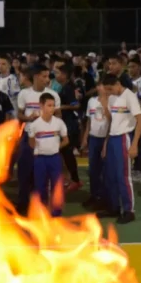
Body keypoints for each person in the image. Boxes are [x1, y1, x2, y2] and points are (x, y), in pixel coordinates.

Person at [99, 73, 141, 224]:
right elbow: (110, 119)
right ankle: (114, 207)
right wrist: (106, 142)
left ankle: (129, 210)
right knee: (110, 175)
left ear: (118, 83)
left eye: (110, 88)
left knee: (123, 176)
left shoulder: (129, 96)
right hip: (112, 137)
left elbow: (140, 119)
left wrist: (134, 143)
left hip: (124, 137)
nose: (110, 92)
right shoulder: (111, 97)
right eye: (107, 90)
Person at [16, 65, 61, 213]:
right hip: (28, 137)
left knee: (42, 175)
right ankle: (23, 205)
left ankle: (41, 206)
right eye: (44, 76)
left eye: (48, 76)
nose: (47, 79)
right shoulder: (24, 94)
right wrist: (29, 118)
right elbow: (19, 115)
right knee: (24, 172)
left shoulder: (53, 94)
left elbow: (58, 117)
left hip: (45, 140)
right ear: (35, 77)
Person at [27, 93, 68, 217]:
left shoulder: (59, 123)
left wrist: (56, 147)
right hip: (40, 159)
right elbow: (31, 144)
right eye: (49, 105)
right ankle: (42, 211)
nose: (52, 108)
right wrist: (36, 143)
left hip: (54, 158)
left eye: (53, 105)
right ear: (41, 106)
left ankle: (56, 213)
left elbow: (66, 140)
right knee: (40, 186)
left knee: (57, 186)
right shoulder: (34, 125)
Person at [81, 82, 110, 211]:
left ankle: (104, 198)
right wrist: (85, 137)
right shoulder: (91, 101)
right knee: (93, 169)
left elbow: (112, 122)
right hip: (93, 137)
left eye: (102, 85)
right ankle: (94, 195)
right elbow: (89, 120)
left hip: (105, 138)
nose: (100, 88)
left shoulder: (112, 101)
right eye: (98, 85)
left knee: (105, 170)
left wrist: (106, 142)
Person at [56, 63, 83, 193]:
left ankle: (75, 180)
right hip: (67, 124)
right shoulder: (66, 87)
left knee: (67, 153)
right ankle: (69, 178)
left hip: (69, 125)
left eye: (59, 73)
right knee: (65, 154)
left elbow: (76, 105)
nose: (57, 76)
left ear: (65, 75)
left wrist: (61, 107)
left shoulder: (68, 88)